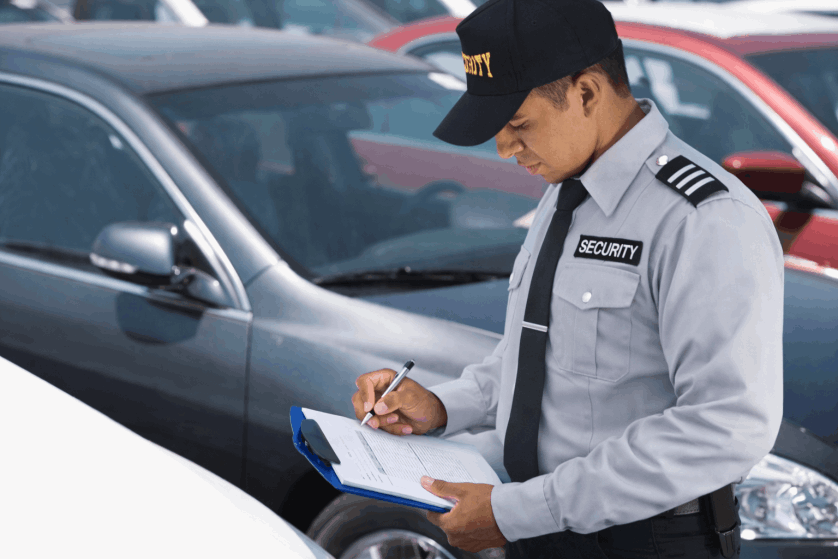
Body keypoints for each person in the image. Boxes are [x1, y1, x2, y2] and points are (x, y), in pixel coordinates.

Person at [350, 0, 784, 557]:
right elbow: (541, 352)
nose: (505, 149)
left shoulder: (701, 218)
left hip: (645, 540)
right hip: (541, 527)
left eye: (518, 124)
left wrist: (522, 511)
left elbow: (724, 425)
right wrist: (442, 405)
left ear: (585, 94)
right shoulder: (570, 184)